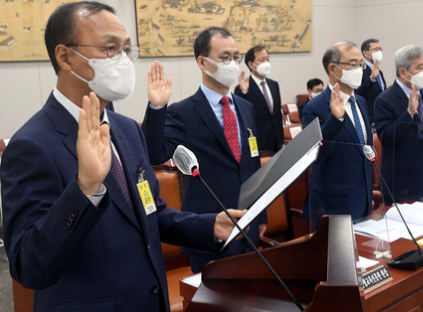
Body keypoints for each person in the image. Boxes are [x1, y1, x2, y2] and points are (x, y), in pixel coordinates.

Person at [0, 3, 243, 311]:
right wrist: (84, 190)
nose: (123, 60)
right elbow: (29, 265)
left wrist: (210, 226)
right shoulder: (31, 145)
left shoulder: (127, 130)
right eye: (110, 48)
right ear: (65, 56)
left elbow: (152, 213)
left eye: (126, 49)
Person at [142, 27, 265, 273]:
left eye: (235, 57)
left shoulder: (245, 106)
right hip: (209, 229)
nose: (232, 64)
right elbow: (155, 155)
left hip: (248, 227)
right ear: (202, 62)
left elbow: (251, 165)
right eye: (224, 57)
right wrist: (157, 109)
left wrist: (261, 217)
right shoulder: (183, 112)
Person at [301, 42, 373, 227]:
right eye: (353, 64)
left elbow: (364, 150)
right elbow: (314, 155)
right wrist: (335, 119)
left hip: (362, 200)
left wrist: (368, 194)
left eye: (361, 64)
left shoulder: (361, 102)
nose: (359, 70)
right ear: (333, 68)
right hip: (333, 205)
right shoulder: (314, 107)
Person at [374, 45, 423, 205]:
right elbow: (387, 138)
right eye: (420, 67)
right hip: (403, 183)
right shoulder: (385, 100)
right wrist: (408, 113)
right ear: (402, 72)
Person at [234, 45, 283, 153]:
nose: (266, 63)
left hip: (276, 143)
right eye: (262, 60)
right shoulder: (242, 88)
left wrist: (281, 140)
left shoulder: (274, 85)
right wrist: (244, 92)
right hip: (257, 143)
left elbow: (277, 115)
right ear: (251, 64)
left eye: (268, 59)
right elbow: (242, 116)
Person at [356, 38, 387, 124]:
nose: (379, 52)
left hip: (382, 116)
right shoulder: (360, 70)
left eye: (380, 49)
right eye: (376, 49)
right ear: (365, 53)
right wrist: (371, 79)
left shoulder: (379, 71)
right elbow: (357, 92)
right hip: (369, 118)